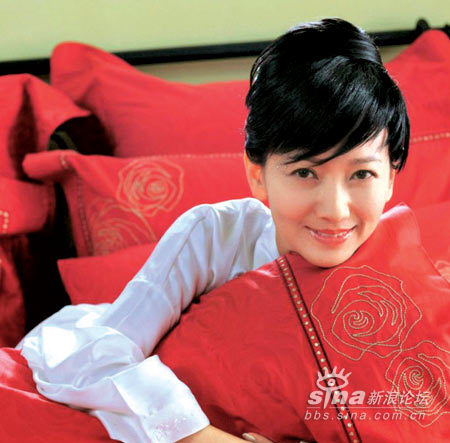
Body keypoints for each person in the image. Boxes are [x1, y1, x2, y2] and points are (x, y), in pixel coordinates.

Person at [18, 18, 409, 443]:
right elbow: (101, 355)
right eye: (304, 172)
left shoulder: (413, 283)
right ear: (257, 174)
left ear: (391, 177)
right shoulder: (217, 236)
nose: (335, 210)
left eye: (362, 174)